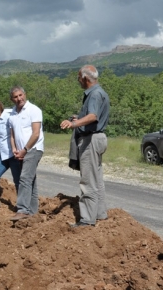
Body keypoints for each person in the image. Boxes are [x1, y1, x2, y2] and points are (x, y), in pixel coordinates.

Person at [60, 64, 110, 228]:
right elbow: (92, 115)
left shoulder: (94, 94)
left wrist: (73, 124)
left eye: (78, 78)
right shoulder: (101, 92)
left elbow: (93, 117)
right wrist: (78, 117)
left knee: (88, 181)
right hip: (99, 138)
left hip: (91, 139)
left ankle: (87, 220)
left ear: (85, 78)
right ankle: (100, 214)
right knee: (97, 179)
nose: (78, 81)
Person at [8, 86, 44, 221]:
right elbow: (12, 134)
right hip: (21, 151)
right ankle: (33, 213)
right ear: (12, 99)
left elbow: (36, 133)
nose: (19, 99)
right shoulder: (12, 113)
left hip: (33, 149)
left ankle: (22, 209)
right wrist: (14, 148)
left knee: (24, 178)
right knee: (31, 180)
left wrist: (25, 149)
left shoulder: (34, 110)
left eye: (20, 95)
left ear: (25, 94)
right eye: (15, 97)